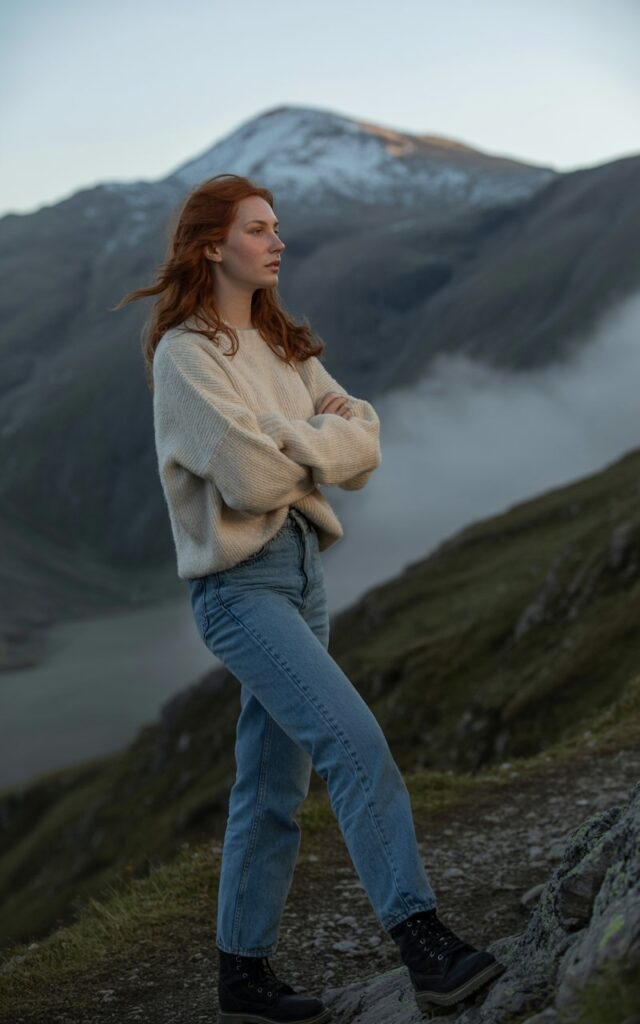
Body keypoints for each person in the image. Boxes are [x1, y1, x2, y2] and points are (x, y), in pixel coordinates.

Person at [115, 173, 504, 1022]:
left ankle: (243, 980)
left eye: (277, 227)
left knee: (269, 786)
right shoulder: (186, 354)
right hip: (239, 588)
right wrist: (314, 437)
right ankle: (423, 943)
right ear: (213, 244)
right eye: (259, 229)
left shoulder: (283, 343)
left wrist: (293, 438)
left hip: (302, 572)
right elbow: (253, 478)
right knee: (355, 745)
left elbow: (365, 444)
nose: (277, 242)